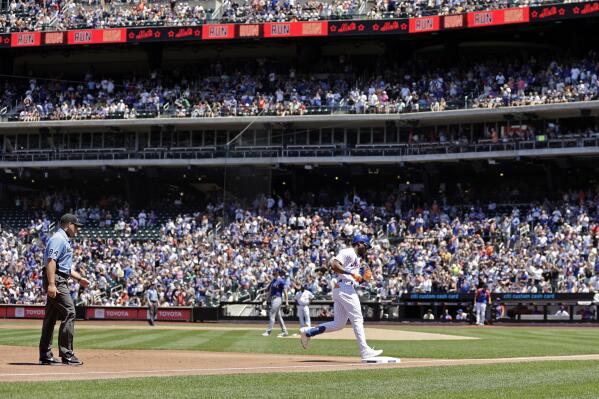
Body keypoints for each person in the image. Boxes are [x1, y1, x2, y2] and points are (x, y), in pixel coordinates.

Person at [299, 235, 383, 360]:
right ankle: (365, 351)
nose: (366, 249)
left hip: (342, 288)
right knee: (357, 319)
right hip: (344, 289)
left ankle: (308, 332)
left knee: (339, 324)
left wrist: (363, 279)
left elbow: (353, 278)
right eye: (366, 246)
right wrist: (352, 274)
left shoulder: (357, 259)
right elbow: (334, 265)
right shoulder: (347, 252)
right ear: (359, 243)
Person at [39, 214, 89, 366]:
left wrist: (79, 279)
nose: (77, 229)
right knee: (70, 312)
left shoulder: (63, 239)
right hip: (56, 280)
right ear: (68, 225)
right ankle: (67, 354)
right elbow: (51, 261)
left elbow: (64, 267)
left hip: (59, 278)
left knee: (50, 318)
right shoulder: (58, 239)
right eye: (76, 226)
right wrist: (52, 283)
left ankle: (45, 355)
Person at [262, 269, 289, 337]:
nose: (273, 272)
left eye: (274, 271)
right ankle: (284, 331)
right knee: (278, 316)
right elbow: (270, 291)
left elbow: (285, 292)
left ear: (277, 273)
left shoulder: (281, 280)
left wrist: (286, 302)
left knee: (271, 314)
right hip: (273, 299)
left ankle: (268, 332)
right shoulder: (273, 280)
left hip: (278, 298)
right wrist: (266, 300)